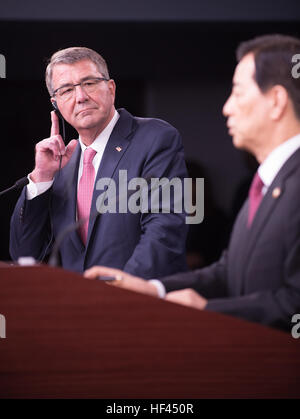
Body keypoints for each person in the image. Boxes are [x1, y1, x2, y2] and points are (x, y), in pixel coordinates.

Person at [85, 34, 300, 331]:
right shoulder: (266, 183)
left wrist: (209, 310)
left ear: (276, 102)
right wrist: (155, 290)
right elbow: (228, 273)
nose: (227, 108)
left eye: (237, 93)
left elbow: (294, 304)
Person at [9, 47, 188, 277]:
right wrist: (41, 179)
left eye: (90, 83)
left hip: (138, 303)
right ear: (56, 103)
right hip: (77, 308)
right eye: (66, 90)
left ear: (111, 89)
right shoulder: (60, 165)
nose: (81, 97)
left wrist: (118, 292)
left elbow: (164, 230)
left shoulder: (155, 138)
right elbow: (25, 254)